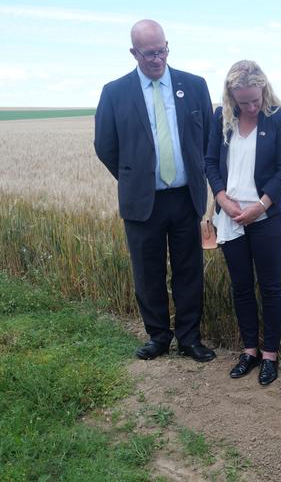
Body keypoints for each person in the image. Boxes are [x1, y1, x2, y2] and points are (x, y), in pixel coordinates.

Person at [94, 19, 215, 362]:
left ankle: (190, 339)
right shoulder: (114, 92)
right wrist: (134, 177)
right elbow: (105, 145)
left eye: (162, 50)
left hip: (185, 197)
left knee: (189, 270)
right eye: (149, 53)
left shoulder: (193, 85)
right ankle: (158, 337)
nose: (157, 58)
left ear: (167, 46)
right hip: (142, 200)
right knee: (148, 273)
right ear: (134, 53)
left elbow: (206, 136)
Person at [204, 60, 281, 385]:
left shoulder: (279, 118)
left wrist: (260, 206)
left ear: (264, 89)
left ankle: (270, 355)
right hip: (230, 218)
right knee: (241, 287)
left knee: (270, 288)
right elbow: (211, 162)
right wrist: (222, 200)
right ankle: (249, 351)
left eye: (255, 100)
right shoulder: (223, 118)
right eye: (244, 102)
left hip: (266, 217)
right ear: (231, 98)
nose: (251, 107)